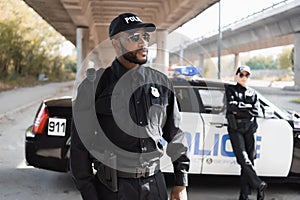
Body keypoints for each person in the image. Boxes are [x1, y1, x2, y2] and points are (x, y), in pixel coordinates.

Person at [70, 13, 190, 200]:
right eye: (135, 37)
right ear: (116, 42)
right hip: (113, 189)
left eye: (145, 36)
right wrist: (89, 193)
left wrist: (181, 183)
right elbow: (79, 147)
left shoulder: (161, 83)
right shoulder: (94, 86)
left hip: (155, 185)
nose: (143, 42)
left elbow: (176, 135)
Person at [224, 65, 267, 200]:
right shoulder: (229, 89)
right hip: (235, 128)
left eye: (246, 75)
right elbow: (231, 106)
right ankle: (259, 184)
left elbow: (256, 111)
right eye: (241, 75)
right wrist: (246, 108)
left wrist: (240, 108)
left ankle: (244, 196)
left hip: (250, 128)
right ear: (236, 76)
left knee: (250, 161)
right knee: (243, 159)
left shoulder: (253, 93)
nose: (244, 78)